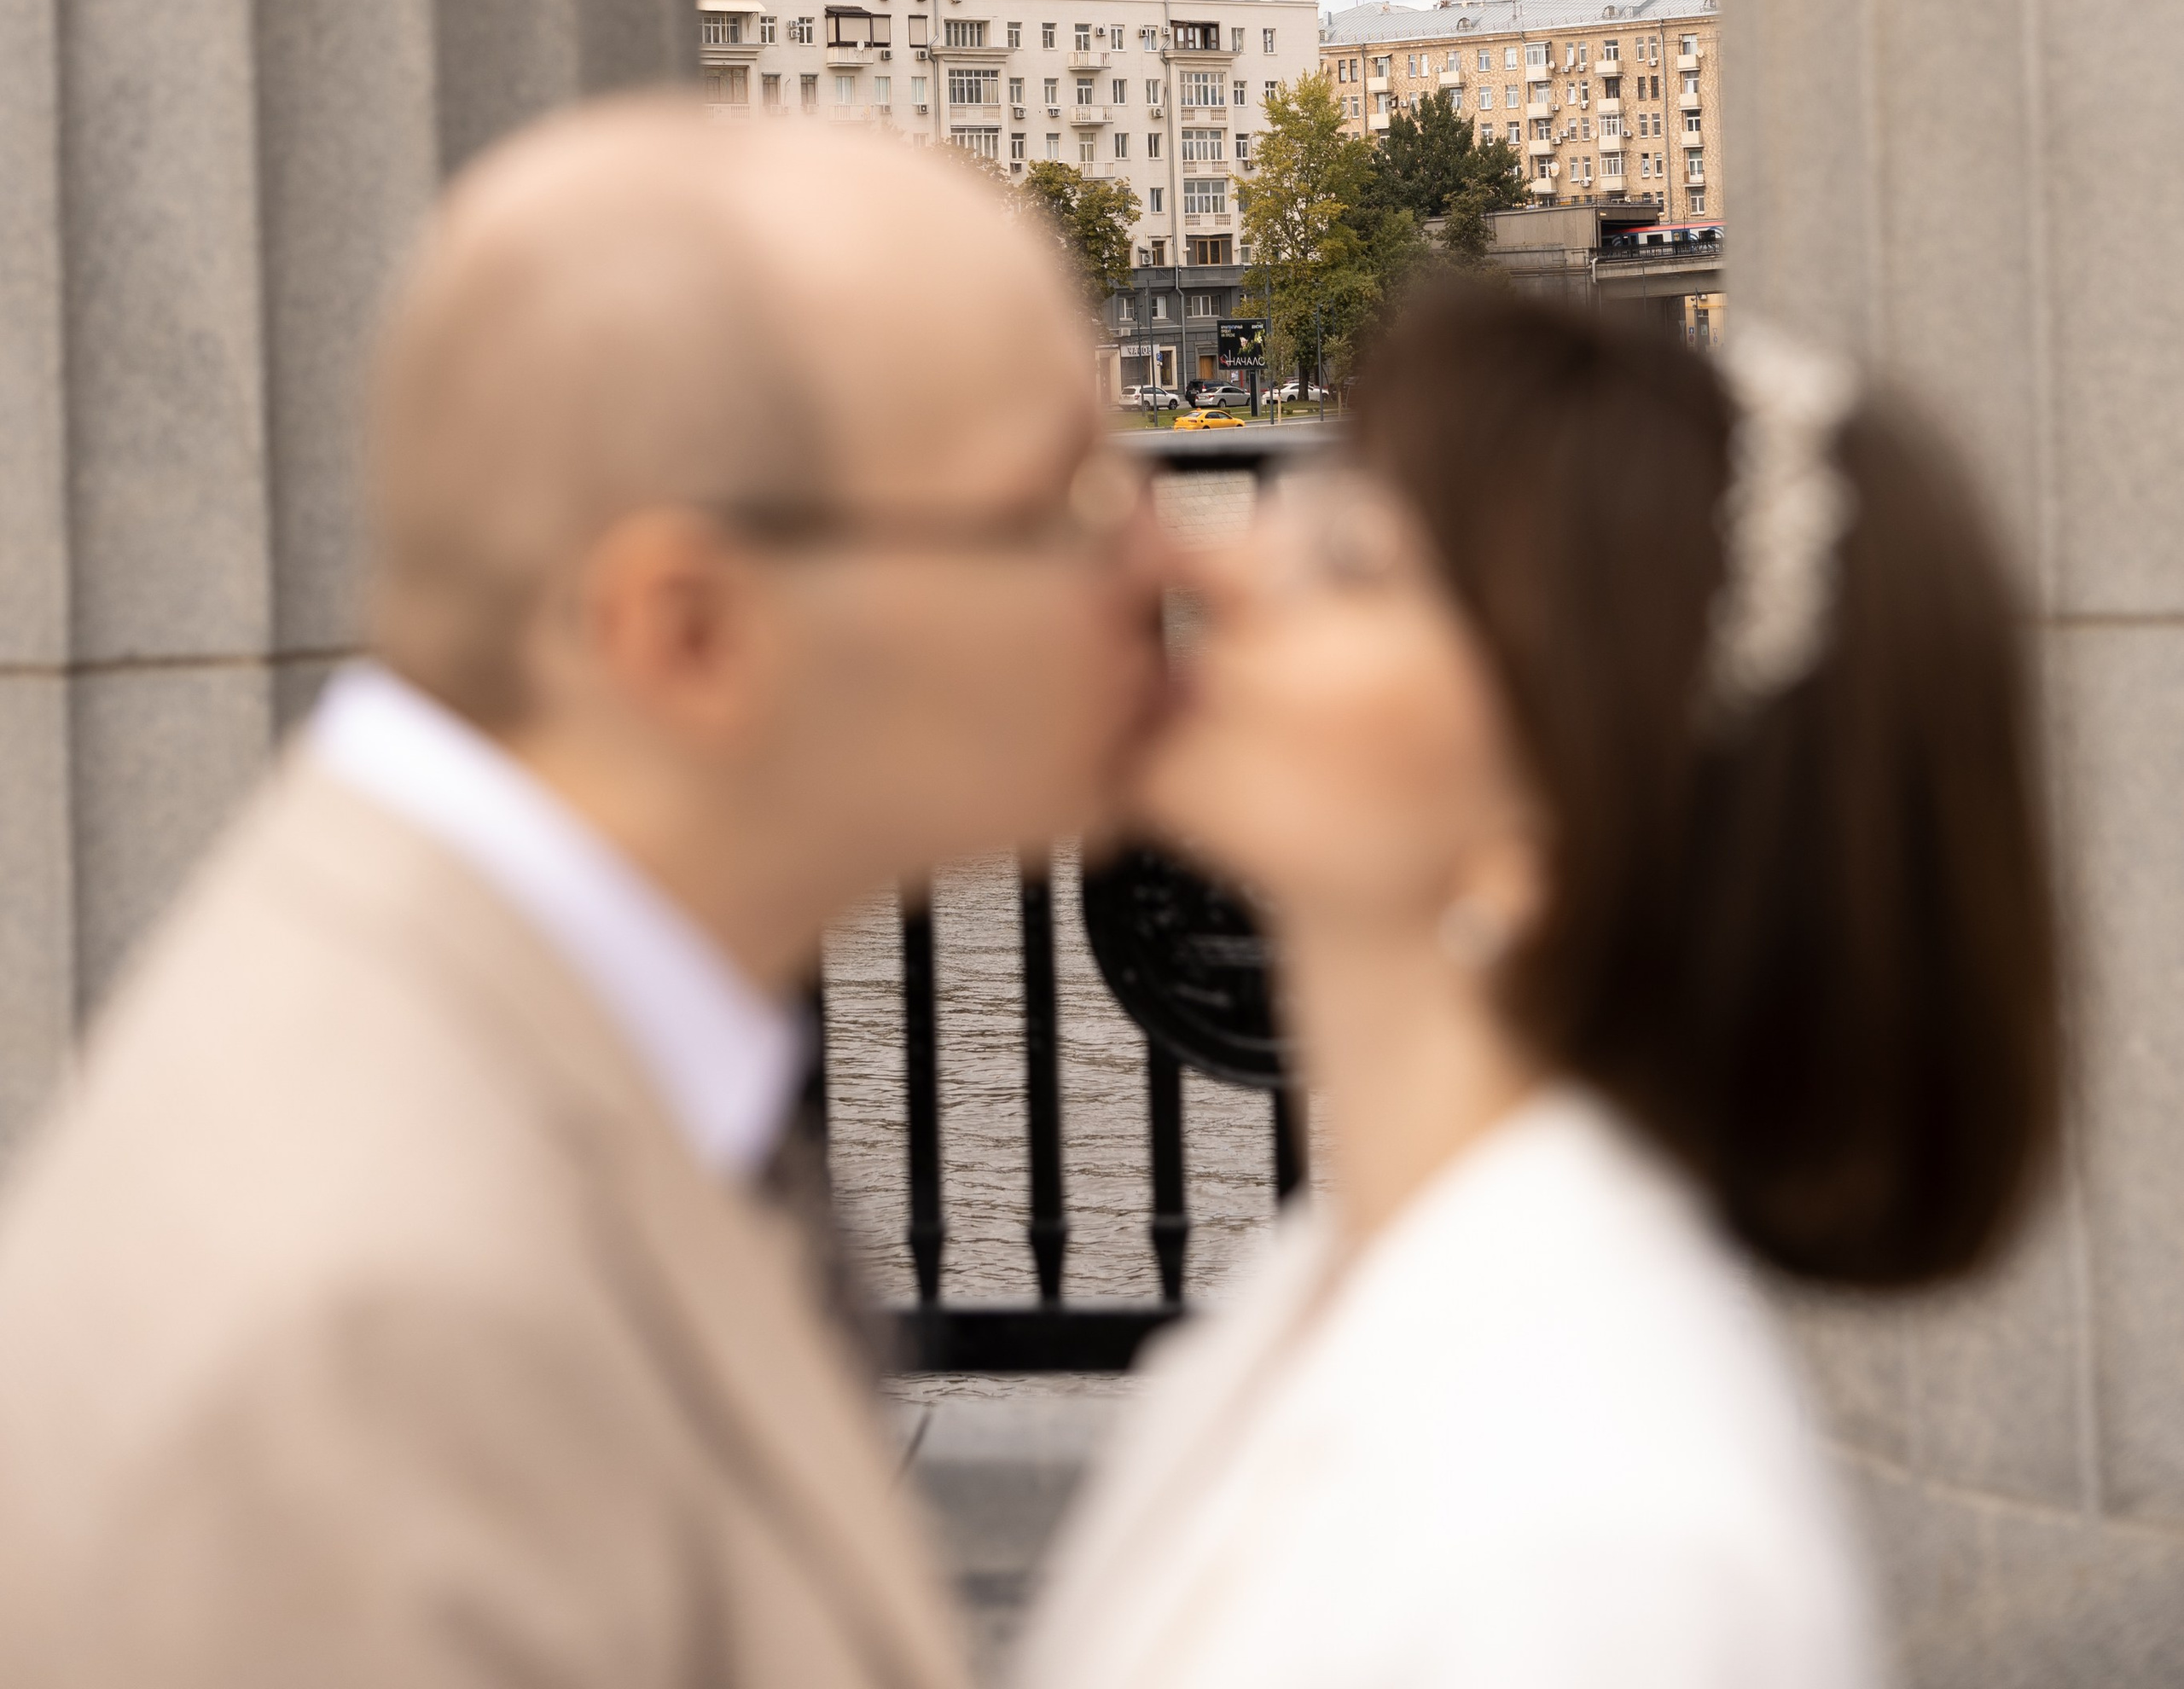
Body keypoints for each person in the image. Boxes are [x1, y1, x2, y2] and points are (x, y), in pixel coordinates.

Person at [0, 99, 1165, 1689]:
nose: (1170, 572)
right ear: (685, 631)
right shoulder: (380, 1344)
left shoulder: (516, 1051)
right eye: (1062, 507)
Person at [1024, 287, 2060, 1689]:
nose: (1206, 569)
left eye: (1346, 561)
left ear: (1555, 828)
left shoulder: (1598, 1543)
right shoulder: (1337, 1287)